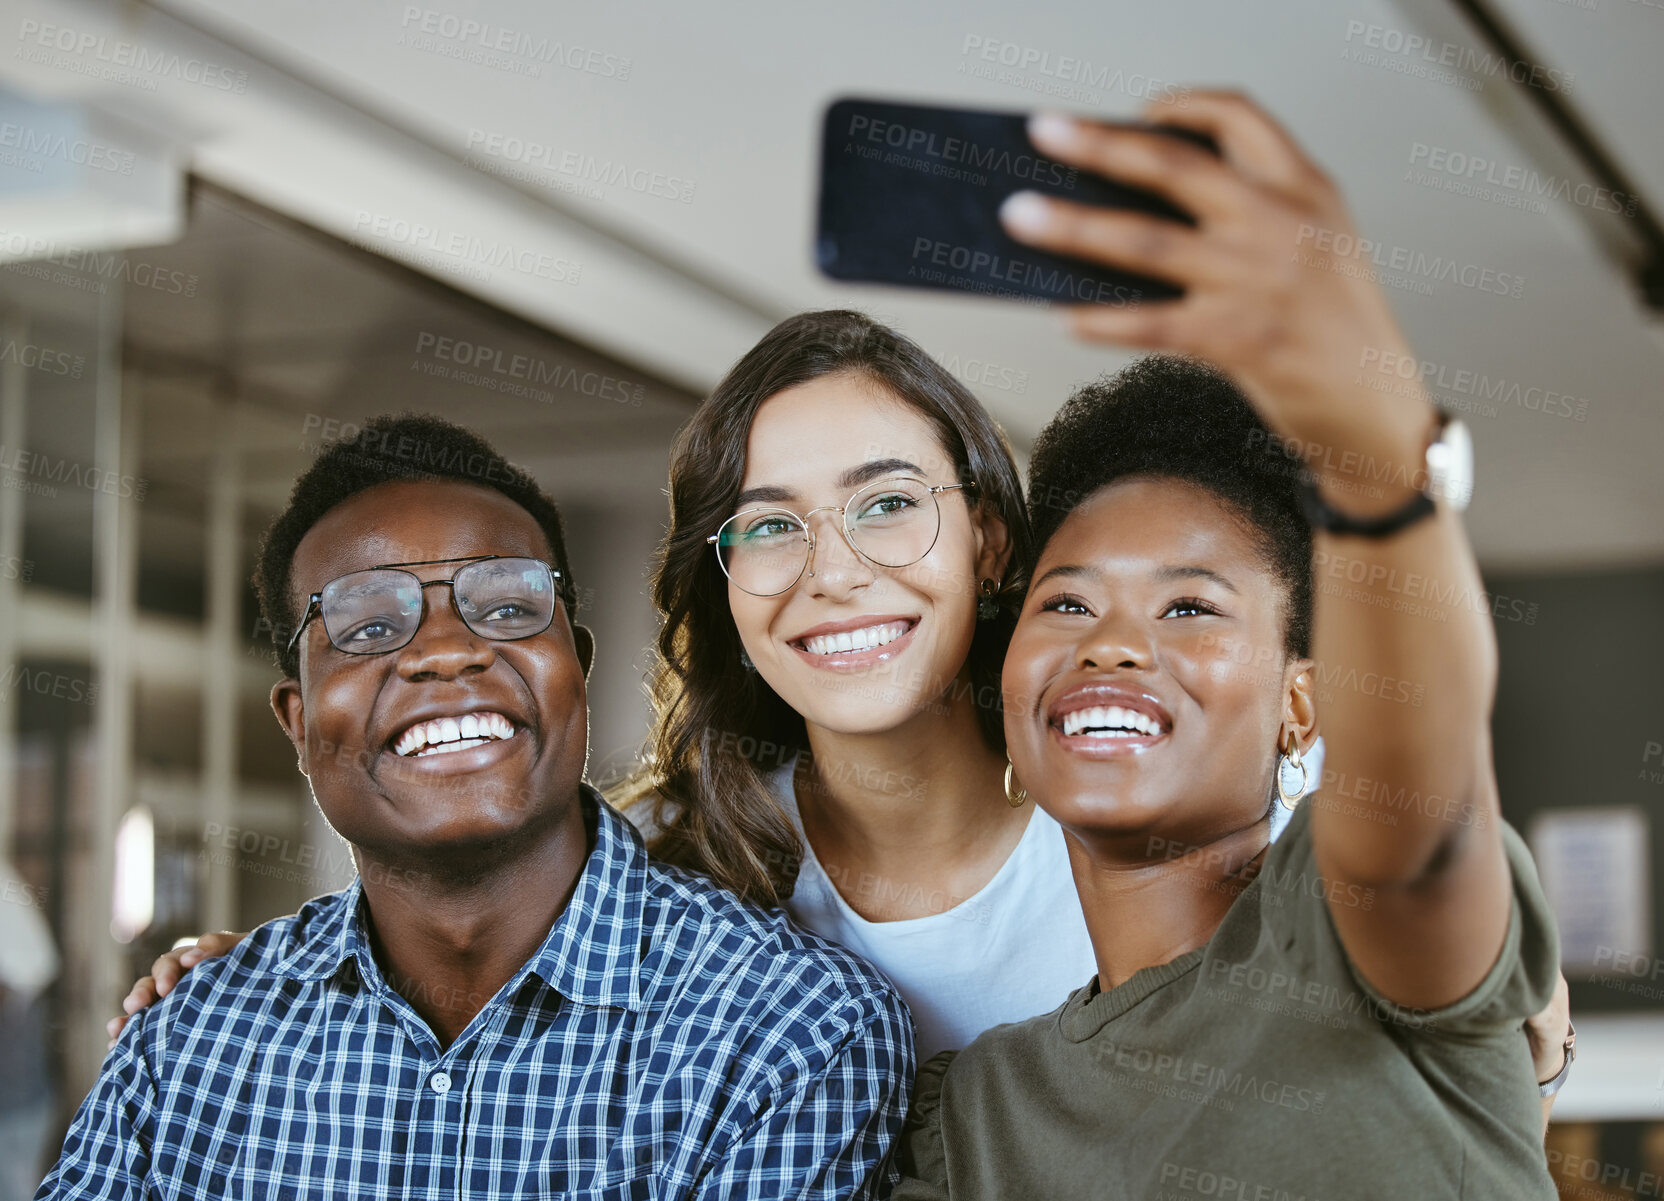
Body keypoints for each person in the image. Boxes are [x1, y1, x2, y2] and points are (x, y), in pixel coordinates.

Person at [112, 92, 1570, 1103]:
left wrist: (1521, 970)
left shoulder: (1180, 768)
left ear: (993, 540)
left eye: (887, 501)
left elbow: (1430, 838)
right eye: (768, 527)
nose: (836, 573)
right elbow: (456, 966)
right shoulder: (683, 883)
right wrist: (259, 976)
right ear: (722, 583)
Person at [42, 415, 913, 1200]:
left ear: (576, 663)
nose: (449, 651)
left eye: (506, 606)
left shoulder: (791, 1032)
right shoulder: (192, 1043)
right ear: (299, 722)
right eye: (370, 625)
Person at [891, 355, 1561, 1198]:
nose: (1113, 643)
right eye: (1067, 603)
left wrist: (1369, 432)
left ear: (1301, 703)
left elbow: (1423, 813)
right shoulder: (980, 1114)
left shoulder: (1346, 922)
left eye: (1190, 607)